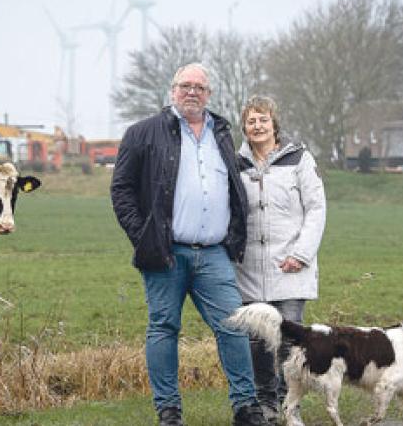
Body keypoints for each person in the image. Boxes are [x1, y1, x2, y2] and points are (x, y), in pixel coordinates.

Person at [111, 63, 267, 426]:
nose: (192, 92)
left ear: (209, 94)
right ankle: (169, 411)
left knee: (234, 326)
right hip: (165, 252)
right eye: (185, 85)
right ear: (172, 90)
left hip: (214, 253)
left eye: (199, 87)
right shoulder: (142, 132)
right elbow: (121, 190)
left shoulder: (222, 134)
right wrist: (144, 236)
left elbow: (232, 187)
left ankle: (246, 407)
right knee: (164, 328)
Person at [235, 95, 326, 422]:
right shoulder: (236, 164)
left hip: (290, 266)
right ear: (244, 127)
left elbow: (316, 208)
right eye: (251, 121)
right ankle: (266, 403)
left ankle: (291, 405)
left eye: (263, 120)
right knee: (258, 341)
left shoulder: (299, 159)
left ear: (274, 124)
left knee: (289, 342)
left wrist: (301, 254)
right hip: (249, 269)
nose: (257, 126)